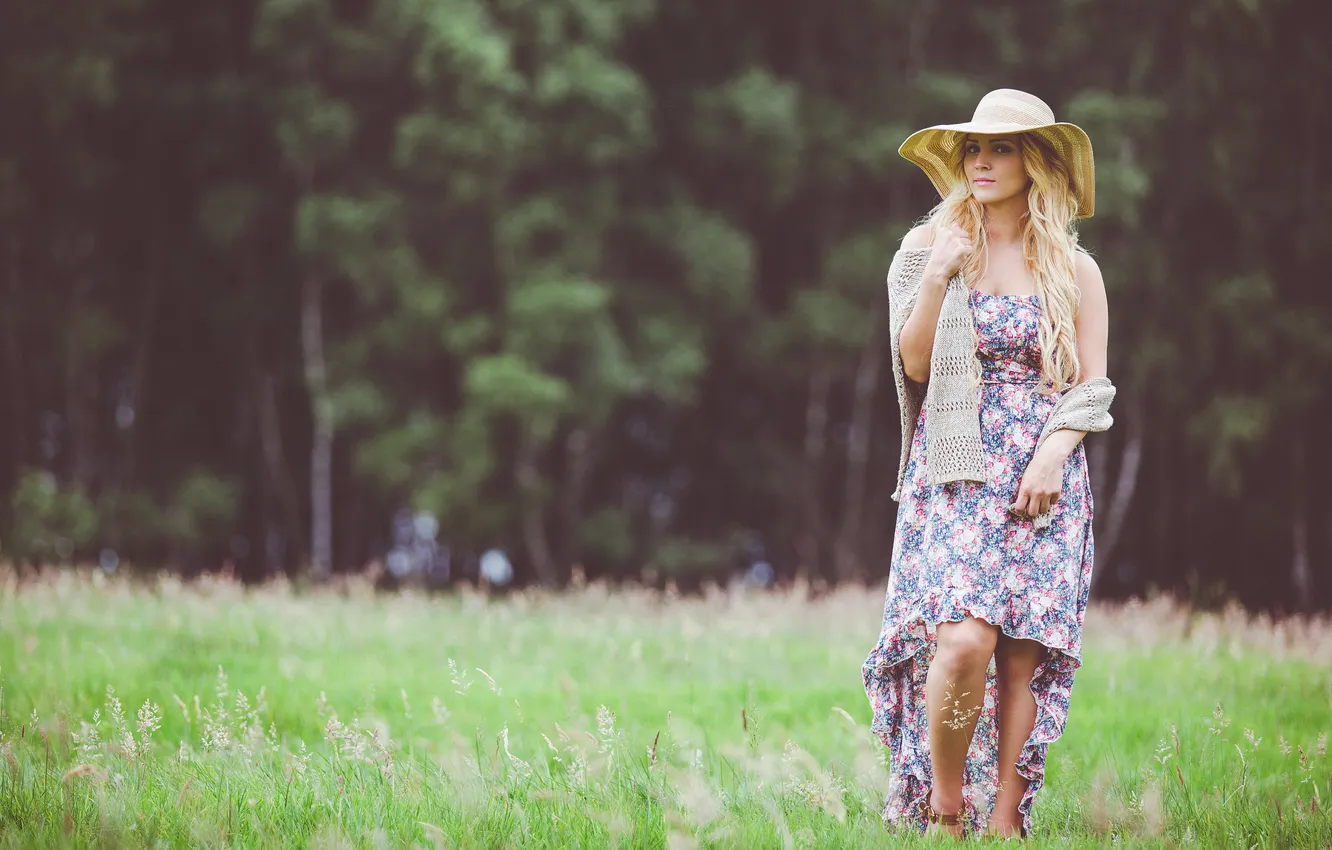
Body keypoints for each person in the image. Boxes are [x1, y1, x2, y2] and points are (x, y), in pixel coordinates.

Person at [861, 88, 1117, 840]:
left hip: (1042, 475)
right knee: (964, 640)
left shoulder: (1074, 268)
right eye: (973, 148)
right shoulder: (927, 246)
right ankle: (946, 807)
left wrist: (1054, 454)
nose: (981, 161)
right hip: (955, 468)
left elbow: (1092, 385)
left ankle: (1007, 819)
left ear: (1034, 162)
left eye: (1000, 148)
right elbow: (912, 366)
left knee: (1022, 658)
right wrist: (938, 275)